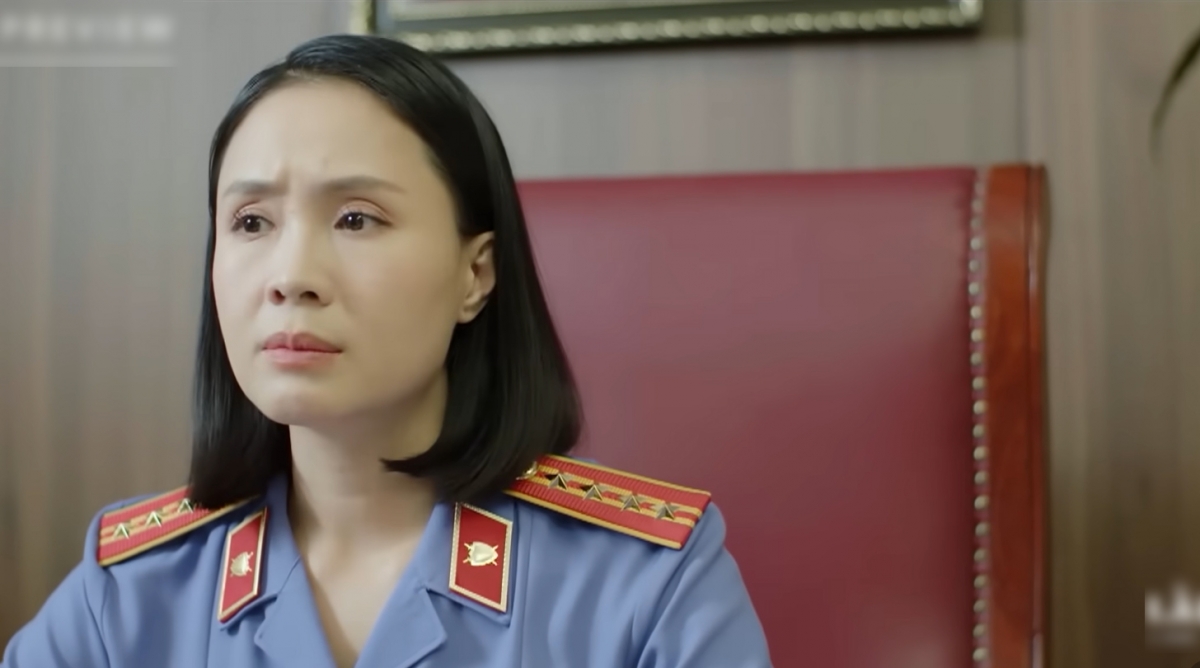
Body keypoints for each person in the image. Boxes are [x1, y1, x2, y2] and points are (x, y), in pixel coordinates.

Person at [0, 34, 771, 668]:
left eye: (357, 219)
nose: (290, 276)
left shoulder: (645, 583)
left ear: (476, 274)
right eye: (251, 222)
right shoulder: (129, 592)